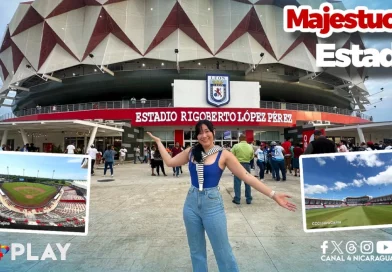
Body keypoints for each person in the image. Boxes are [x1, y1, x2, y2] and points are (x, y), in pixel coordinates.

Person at [147, 120, 296, 271]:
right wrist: (159, 142)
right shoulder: (191, 152)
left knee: (223, 251)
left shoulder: (224, 154)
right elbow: (170, 162)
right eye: (199, 132)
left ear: (213, 132)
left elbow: (247, 176)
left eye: (207, 131)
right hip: (191, 204)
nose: (203, 135)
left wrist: (273, 194)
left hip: (212, 205)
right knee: (196, 251)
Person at [231, 135, 254, 204]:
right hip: (247, 165)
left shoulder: (236, 146)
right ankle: (248, 199)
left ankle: (237, 199)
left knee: (237, 182)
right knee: (247, 182)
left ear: (239, 139)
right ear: (245, 139)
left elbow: (231, 155)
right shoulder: (250, 146)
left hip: (238, 165)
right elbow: (251, 156)